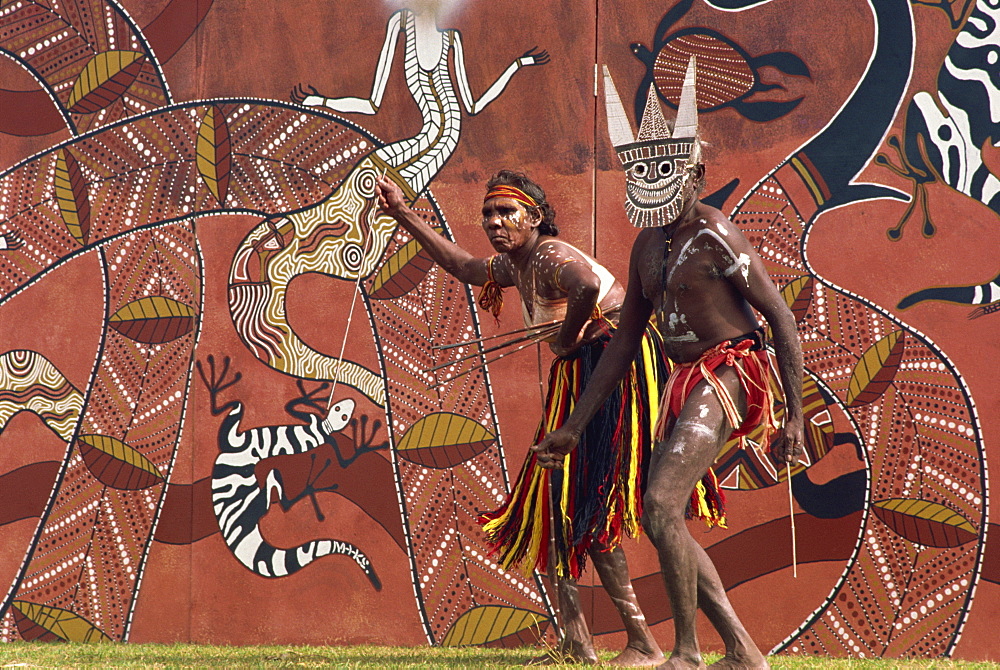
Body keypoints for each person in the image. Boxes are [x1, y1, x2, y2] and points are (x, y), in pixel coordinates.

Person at [532, 62, 805, 669]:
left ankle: (685, 652)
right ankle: (741, 652)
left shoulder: (715, 234)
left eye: (666, 168)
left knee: (659, 506)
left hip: (732, 370)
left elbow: (780, 320)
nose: (652, 179)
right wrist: (574, 427)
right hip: (685, 380)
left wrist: (795, 417)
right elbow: (625, 342)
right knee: (664, 519)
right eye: (641, 169)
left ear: (697, 174)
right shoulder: (646, 246)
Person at [376, 170, 668, 666]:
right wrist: (403, 213)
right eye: (488, 214)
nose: (493, 222)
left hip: (613, 365)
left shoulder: (550, 254)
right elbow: (465, 266)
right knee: (553, 502)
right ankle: (577, 643)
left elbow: (588, 285)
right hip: (578, 369)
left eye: (505, 213)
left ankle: (643, 645)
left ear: (534, 218)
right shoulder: (518, 264)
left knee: (587, 499)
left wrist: (569, 337)